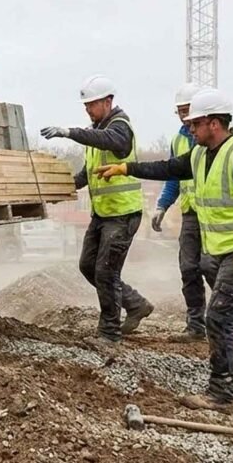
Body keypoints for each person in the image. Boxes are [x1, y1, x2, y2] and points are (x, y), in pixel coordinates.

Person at [95, 87, 233, 413]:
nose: (189, 129)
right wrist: (127, 168)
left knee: (219, 318)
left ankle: (221, 394)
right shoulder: (200, 155)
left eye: (195, 124)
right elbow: (168, 168)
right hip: (223, 252)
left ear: (214, 123)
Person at [41, 75, 154, 344]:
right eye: (86, 106)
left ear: (108, 101)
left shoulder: (119, 127)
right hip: (103, 215)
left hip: (122, 214)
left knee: (106, 272)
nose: (88, 110)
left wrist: (69, 132)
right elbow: (87, 174)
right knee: (87, 266)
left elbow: (109, 140)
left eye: (91, 104)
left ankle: (109, 333)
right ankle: (135, 304)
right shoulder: (99, 132)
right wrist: (60, 189)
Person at [152, 82, 206, 340]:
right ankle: (196, 326)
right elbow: (173, 176)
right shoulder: (177, 140)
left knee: (216, 269)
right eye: (180, 112)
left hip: (217, 215)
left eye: (187, 111)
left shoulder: (215, 135)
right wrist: (162, 205)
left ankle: (229, 323)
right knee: (189, 268)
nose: (184, 118)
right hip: (191, 215)